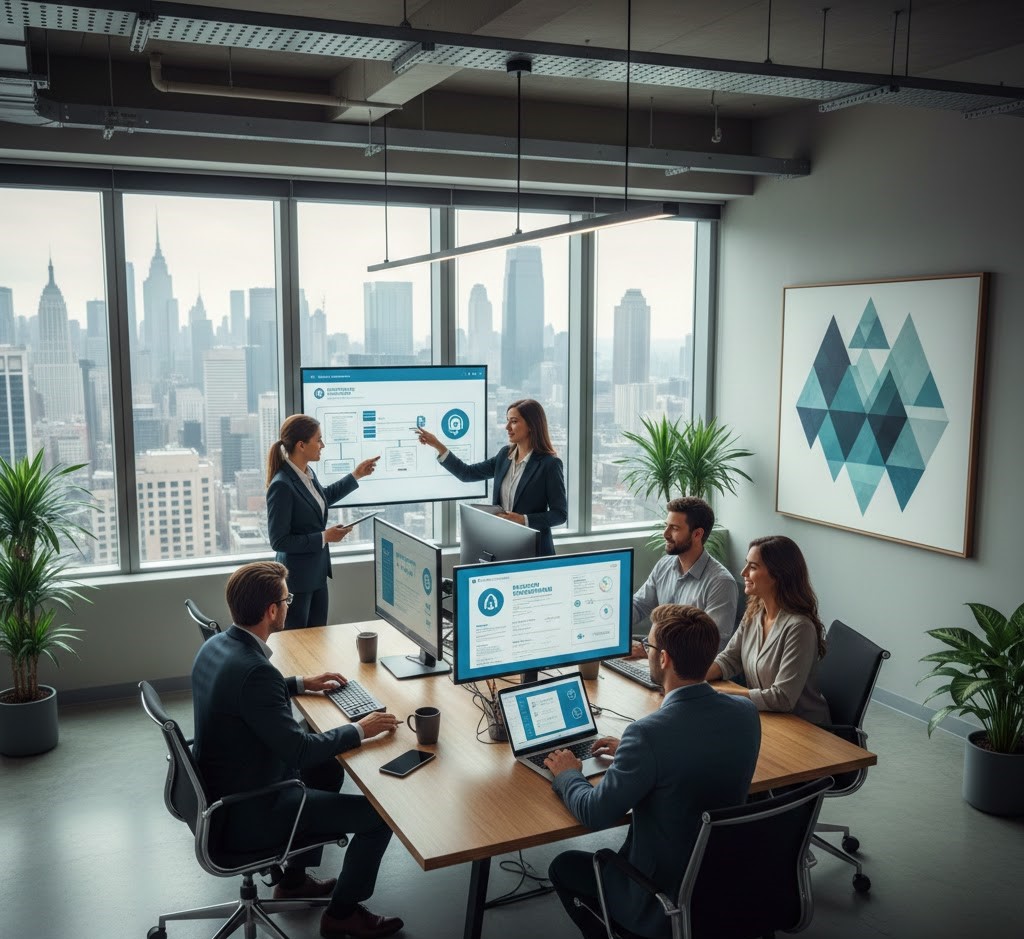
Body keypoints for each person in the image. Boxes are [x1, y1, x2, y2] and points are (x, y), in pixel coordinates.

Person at [190, 561, 403, 939]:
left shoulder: (216, 646)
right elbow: (300, 752)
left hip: (222, 788)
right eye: (286, 599)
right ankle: (342, 916)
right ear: (272, 611)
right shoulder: (257, 673)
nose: (289, 604)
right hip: (251, 809)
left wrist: (300, 683)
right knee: (379, 818)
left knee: (329, 771)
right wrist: (360, 728)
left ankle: (293, 880)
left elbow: (244, 693)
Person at [545, 604, 761, 939]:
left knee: (563, 866)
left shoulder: (648, 734)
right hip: (726, 883)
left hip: (662, 898)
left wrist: (567, 774)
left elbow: (595, 813)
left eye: (648, 646)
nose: (645, 652)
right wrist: (634, 754)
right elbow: (693, 752)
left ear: (664, 659)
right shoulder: (746, 713)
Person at [266, 414, 380, 629]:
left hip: (316, 574)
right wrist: (324, 537)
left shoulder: (306, 473)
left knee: (318, 638)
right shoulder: (282, 485)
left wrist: (356, 475)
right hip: (296, 581)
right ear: (301, 445)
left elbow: (322, 498)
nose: (323, 445)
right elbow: (279, 541)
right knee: (298, 645)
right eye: (318, 440)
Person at [413, 398, 567, 556]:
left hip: (534, 550)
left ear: (531, 425)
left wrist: (523, 520)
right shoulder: (504, 456)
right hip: (503, 546)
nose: (507, 427)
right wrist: (438, 445)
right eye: (507, 421)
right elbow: (467, 473)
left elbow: (560, 514)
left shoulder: (550, 464)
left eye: (513, 421)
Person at [706, 535, 830, 724]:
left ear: (778, 575)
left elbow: (782, 698)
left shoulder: (799, 628)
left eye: (753, 567)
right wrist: (693, 679)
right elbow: (730, 657)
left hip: (803, 728)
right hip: (767, 718)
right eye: (746, 564)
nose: (743, 572)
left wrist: (719, 693)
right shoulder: (755, 612)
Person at [627, 496, 738, 653]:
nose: (665, 534)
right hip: (654, 656)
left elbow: (711, 645)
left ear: (697, 534)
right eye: (666, 526)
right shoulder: (664, 565)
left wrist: (648, 650)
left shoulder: (721, 583)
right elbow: (638, 606)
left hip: (686, 671)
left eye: (675, 528)